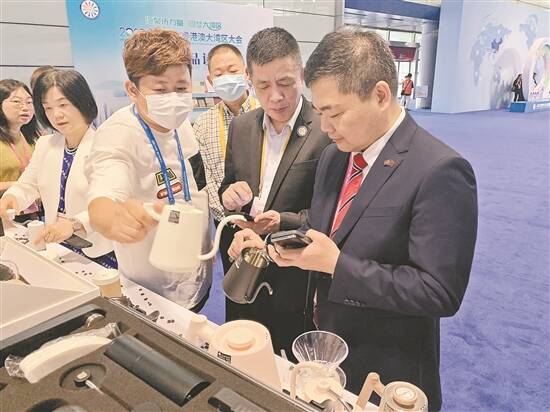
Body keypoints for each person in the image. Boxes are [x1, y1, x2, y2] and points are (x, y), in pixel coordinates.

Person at [229, 30, 477, 411]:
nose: (325, 127)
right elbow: (326, 228)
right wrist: (273, 242)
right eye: (320, 112)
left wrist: (338, 266)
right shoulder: (335, 156)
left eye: (335, 113)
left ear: (380, 95)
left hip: (386, 367)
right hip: (324, 354)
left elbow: (438, 291)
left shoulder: (439, 170)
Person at [218, 27, 331, 356]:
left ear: (301, 74)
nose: (275, 97)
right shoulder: (241, 127)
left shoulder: (326, 130)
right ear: (250, 80)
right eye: (263, 86)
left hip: (295, 276)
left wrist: (281, 222)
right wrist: (230, 198)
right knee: (241, 350)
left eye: (285, 82)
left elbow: (330, 215)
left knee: (289, 361)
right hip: (244, 264)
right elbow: (228, 187)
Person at [86, 28, 210, 311]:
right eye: (160, 90)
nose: (173, 98)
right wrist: (110, 216)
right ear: (133, 90)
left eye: (181, 88)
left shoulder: (182, 125)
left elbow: (195, 186)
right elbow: (105, 188)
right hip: (151, 290)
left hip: (197, 273)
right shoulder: (117, 134)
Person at [0, 70, 115, 266]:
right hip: (58, 244)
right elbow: (28, 184)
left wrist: (75, 224)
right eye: (48, 108)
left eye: (63, 104)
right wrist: (13, 197)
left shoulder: (105, 146)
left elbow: (113, 199)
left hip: (98, 246)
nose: (56, 115)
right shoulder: (45, 144)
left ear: (82, 102)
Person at [193, 44, 259, 275]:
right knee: (234, 283)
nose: (227, 78)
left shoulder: (267, 112)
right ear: (210, 80)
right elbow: (206, 180)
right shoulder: (202, 124)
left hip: (264, 219)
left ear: (246, 73)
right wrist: (227, 215)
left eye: (233, 71)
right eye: (219, 74)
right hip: (226, 223)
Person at [0, 79, 41, 221]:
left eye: (29, 102)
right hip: (4, 213)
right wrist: (21, 185)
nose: (25, 107)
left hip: (30, 214)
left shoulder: (35, 137)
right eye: (17, 102)